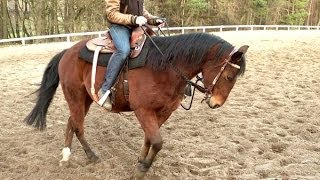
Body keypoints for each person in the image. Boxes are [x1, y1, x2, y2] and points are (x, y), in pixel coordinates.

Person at [98, 0, 165, 110]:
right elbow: (111, 14)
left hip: (135, 26)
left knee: (157, 45)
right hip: (119, 27)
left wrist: (153, 20)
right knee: (123, 50)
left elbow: (141, 11)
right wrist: (134, 19)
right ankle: (105, 90)